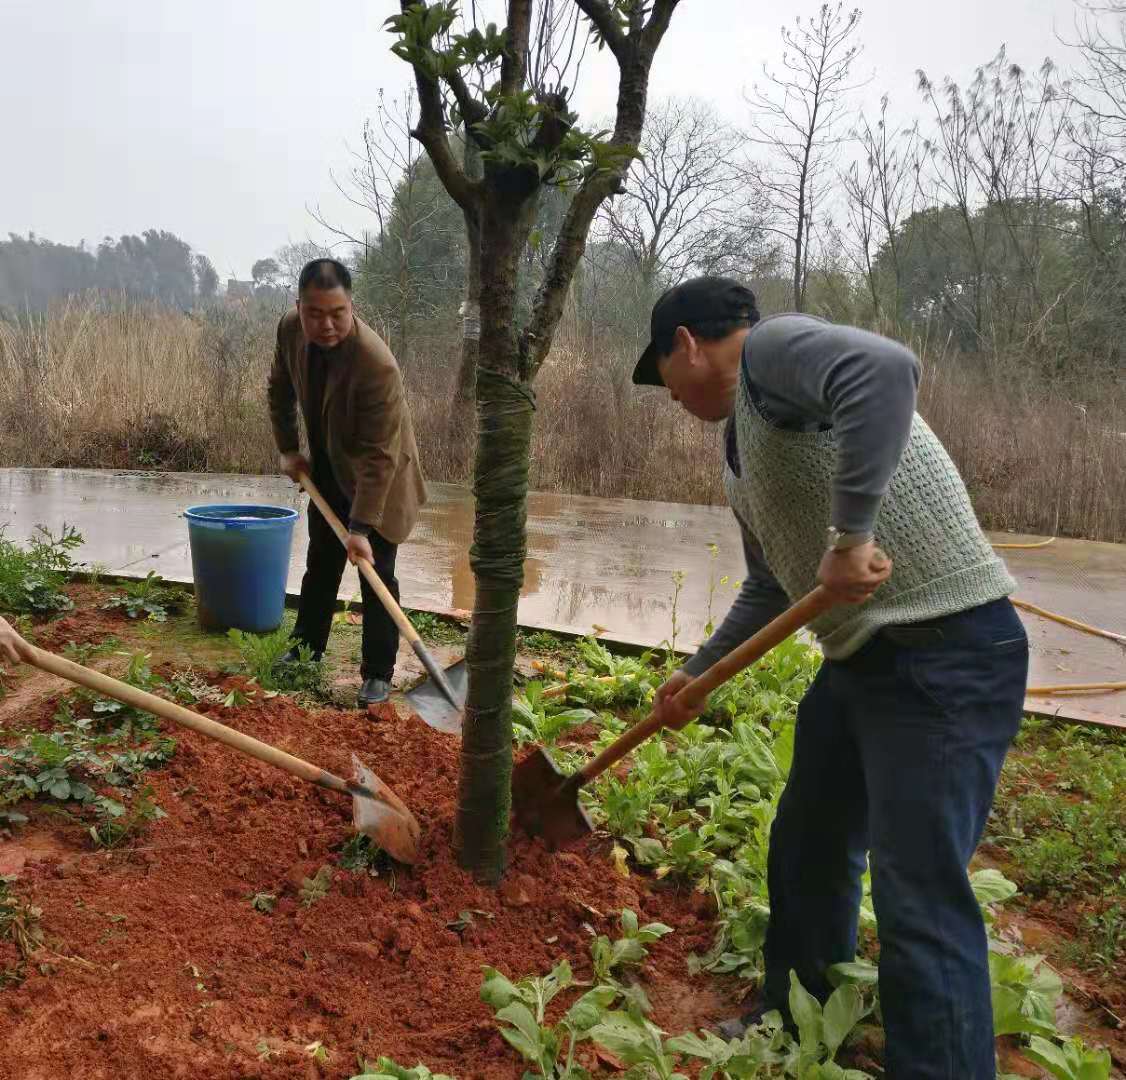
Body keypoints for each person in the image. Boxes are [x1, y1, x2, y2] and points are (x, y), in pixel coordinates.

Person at [639, 277, 1027, 1080]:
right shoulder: (740, 455)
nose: (669, 396)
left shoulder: (772, 353)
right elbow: (773, 587)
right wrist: (697, 675)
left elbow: (886, 369)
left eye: (664, 377)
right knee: (810, 841)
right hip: (865, 662)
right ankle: (797, 1013)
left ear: (686, 344)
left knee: (918, 891)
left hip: (947, 651)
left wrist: (852, 533)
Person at [268, 258, 426, 707]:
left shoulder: (377, 365)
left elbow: (381, 456)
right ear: (299, 307)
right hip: (329, 470)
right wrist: (288, 448)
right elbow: (278, 388)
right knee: (321, 563)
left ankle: (377, 673)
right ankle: (305, 651)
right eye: (315, 313)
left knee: (377, 573)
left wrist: (358, 530)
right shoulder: (289, 331)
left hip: (381, 481)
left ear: (350, 306)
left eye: (338, 312)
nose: (327, 324)